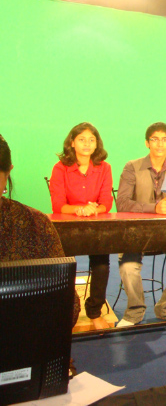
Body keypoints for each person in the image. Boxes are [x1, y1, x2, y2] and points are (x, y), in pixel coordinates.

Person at [115, 122, 166, 327]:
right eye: (155, 139)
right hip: (136, 232)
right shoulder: (132, 167)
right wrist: (154, 208)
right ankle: (134, 312)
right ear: (147, 143)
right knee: (128, 266)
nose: (160, 144)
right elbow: (121, 202)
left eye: (165, 140)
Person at [0, 134, 80, 327]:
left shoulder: (36, 223)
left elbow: (68, 305)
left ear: (8, 172)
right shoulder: (35, 222)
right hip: (31, 340)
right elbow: (68, 307)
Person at [49, 123, 113, 331]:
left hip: (95, 225)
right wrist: (79, 209)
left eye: (91, 140)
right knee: (66, 266)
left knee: (102, 265)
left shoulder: (104, 167)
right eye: (82, 139)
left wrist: (93, 209)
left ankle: (94, 311)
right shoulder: (60, 168)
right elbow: (58, 205)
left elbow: (106, 202)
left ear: (97, 144)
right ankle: (66, 311)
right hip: (68, 226)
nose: (87, 144)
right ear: (72, 143)